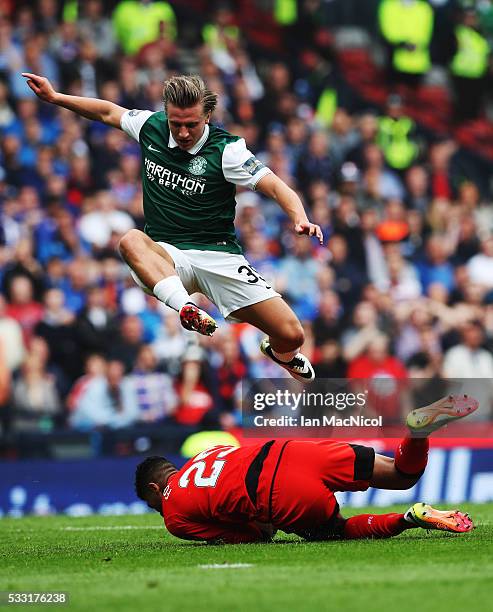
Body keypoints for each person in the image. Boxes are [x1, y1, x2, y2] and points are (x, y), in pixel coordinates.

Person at [22, 72, 323, 383]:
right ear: (165, 112)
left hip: (219, 257)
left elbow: (275, 186)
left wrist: (299, 216)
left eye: (191, 124)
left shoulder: (228, 151)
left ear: (207, 115)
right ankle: (186, 309)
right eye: (175, 122)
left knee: (291, 333)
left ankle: (280, 354)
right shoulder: (151, 126)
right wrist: (56, 97)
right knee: (131, 240)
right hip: (167, 256)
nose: (181, 132)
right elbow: (108, 111)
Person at [135, 394, 477, 543]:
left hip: (278, 491)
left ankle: (410, 518)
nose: (159, 510)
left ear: (154, 490)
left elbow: (254, 535)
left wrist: (262, 527)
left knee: (335, 532)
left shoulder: (174, 516)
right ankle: (416, 432)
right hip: (294, 450)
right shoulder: (205, 455)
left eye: (154, 506)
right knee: (402, 475)